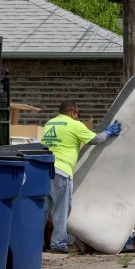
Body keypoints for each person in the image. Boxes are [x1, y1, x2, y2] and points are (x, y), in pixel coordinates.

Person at [41, 100, 121, 253]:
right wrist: (108, 132)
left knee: (43, 210)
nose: (78, 117)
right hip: (61, 170)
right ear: (72, 112)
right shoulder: (74, 125)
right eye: (78, 114)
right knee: (61, 209)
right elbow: (96, 139)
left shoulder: (49, 123)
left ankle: (34, 244)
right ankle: (58, 244)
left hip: (44, 171)